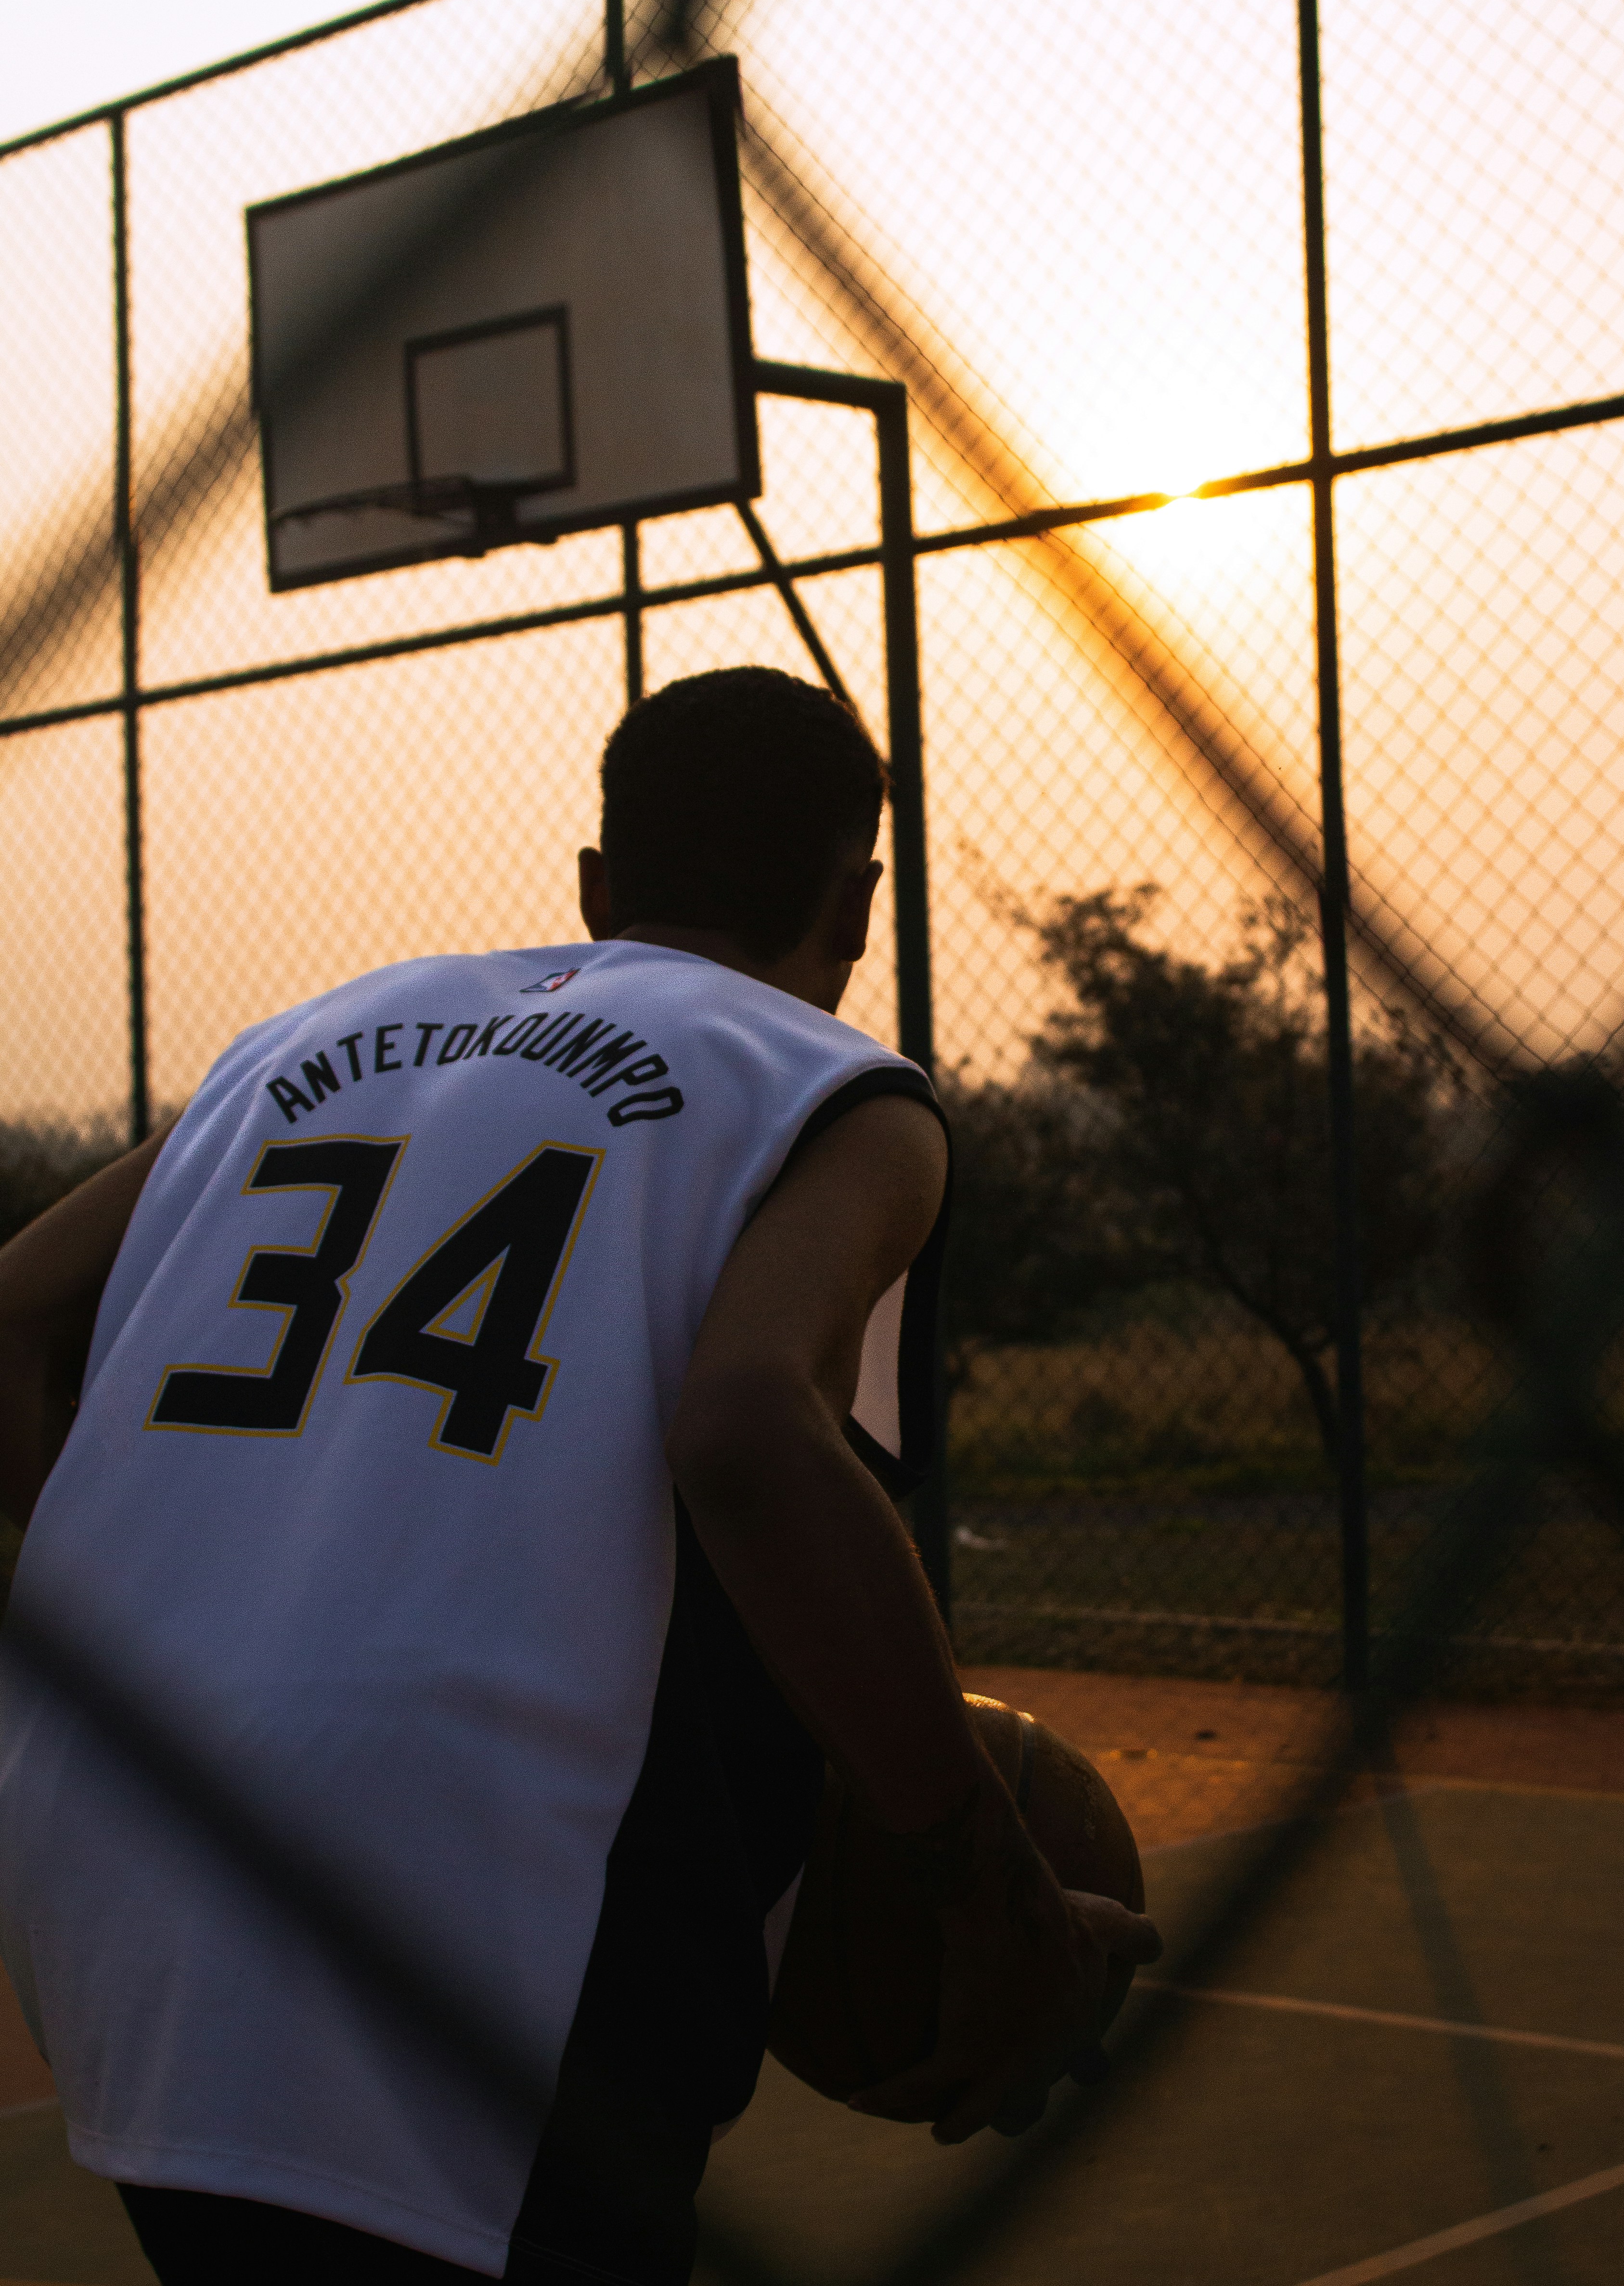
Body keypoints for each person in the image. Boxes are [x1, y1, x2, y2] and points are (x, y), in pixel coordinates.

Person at [0, 667, 1159, 2284]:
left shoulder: (295, 1045)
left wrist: (130, 1593)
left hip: (112, 1846)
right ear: (861, 901)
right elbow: (751, 1433)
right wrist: (986, 1882)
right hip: (466, 1881)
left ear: (599, 888)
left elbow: (16, 1316)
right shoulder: (837, 1096)